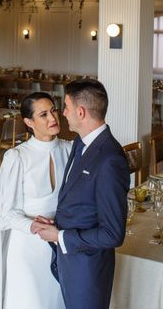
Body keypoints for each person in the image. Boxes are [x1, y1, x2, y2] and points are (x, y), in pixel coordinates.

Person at [0, 92, 71, 309]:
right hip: (27, 249)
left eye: (53, 110)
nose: (53, 118)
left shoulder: (70, 150)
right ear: (29, 122)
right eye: (43, 114)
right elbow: (6, 215)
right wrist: (32, 225)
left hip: (60, 243)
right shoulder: (17, 157)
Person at [36, 79, 130, 309]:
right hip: (71, 261)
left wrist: (61, 237)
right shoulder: (80, 142)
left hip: (88, 270)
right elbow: (77, 196)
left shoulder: (110, 159)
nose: (63, 114)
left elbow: (112, 234)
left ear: (81, 111)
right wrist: (57, 223)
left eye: (66, 107)